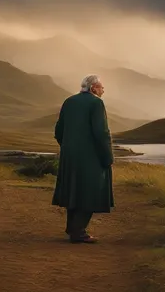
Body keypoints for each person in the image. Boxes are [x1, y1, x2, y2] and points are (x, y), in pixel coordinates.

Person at [51, 74, 114, 243]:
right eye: (101, 87)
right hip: (90, 156)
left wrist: (68, 147)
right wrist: (107, 156)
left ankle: (73, 229)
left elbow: (59, 131)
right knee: (91, 191)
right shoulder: (96, 103)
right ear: (93, 88)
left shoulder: (69, 101)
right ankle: (78, 232)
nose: (103, 90)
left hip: (69, 155)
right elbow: (101, 133)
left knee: (74, 191)